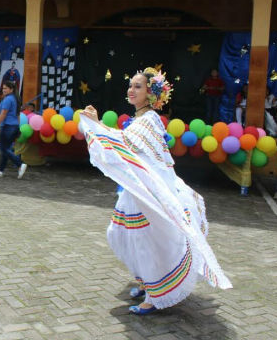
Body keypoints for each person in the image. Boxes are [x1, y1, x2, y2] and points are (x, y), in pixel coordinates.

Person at [79, 67, 231, 315]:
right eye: (131, 85)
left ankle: (154, 294)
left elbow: (123, 144)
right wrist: (95, 126)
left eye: (138, 86)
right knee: (119, 233)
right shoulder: (140, 119)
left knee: (145, 240)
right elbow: (123, 143)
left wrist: (95, 125)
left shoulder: (148, 119)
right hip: (137, 189)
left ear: (151, 94)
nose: (131, 89)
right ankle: (146, 279)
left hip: (147, 192)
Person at [0, 81, 27, 178]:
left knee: (4, 149)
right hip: (13, 127)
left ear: (11, 89)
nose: (4, 90)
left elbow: (3, 114)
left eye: (6, 88)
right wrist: (18, 127)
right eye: (3, 88)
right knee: (6, 149)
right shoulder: (15, 99)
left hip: (7, 127)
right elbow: (18, 115)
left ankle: (20, 164)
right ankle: (0, 170)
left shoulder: (8, 99)